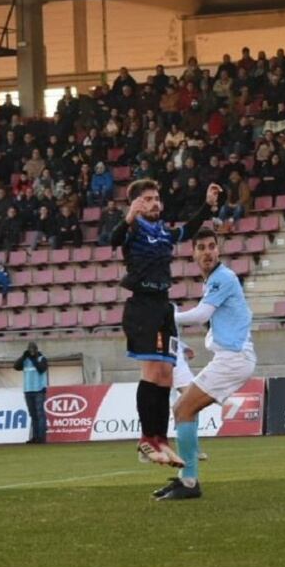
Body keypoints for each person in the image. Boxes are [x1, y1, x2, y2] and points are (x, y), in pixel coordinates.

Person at [110, 179, 220, 468]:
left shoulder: (162, 233)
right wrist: (128, 218)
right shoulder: (133, 230)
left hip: (163, 307)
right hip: (143, 306)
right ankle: (146, 440)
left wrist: (207, 207)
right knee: (151, 372)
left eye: (157, 198)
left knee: (166, 377)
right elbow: (111, 240)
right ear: (136, 204)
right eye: (148, 199)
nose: (155, 203)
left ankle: (160, 438)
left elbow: (187, 230)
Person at [154, 228, 255, 501]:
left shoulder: (222, 277)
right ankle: (187, 471)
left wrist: (167, 316)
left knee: (182, 407)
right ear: (194, 253)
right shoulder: (214, 280)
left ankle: (188, 481)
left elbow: (201, 315)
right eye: (201, 247)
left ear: (218, 250)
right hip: (230, 357)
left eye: (211, 246)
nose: (207, 251)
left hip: (234, 359)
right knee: (186, 406)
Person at [14, 341, 49, 444]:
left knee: (40, 414)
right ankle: (35, 437)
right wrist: (23, 357)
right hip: (28, 390)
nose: (32, 352)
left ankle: (41, 437)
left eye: (33, 349)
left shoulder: (42, 359)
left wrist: (34, 359)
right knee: (33, 415)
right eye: (30, 350)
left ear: (37, 350)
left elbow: (41, 369)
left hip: (39, 390)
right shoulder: (25, 360)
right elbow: (16, 366)